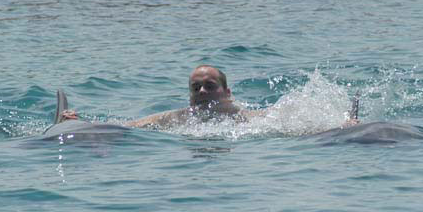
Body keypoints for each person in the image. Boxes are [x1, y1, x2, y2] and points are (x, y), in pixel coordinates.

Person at [60, 65, 359, 129]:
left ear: (227, 93)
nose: (202, 92)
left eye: (210, 86)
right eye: (196, 88)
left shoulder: (250, 119)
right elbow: (126, 127)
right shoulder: (175, 118)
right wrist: (80, 123)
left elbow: (299, 127)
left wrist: (343, 125)